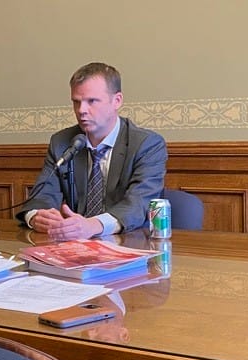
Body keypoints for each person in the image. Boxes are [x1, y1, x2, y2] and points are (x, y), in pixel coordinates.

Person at [17, 62, 167, 241]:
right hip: (74, 246)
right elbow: (43, 195)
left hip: (129, 244)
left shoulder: (147, 144)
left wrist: (93, 225)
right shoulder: (62, 142)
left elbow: (138, 204)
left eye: (92, 101)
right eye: (76, 102)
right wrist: (36, 217)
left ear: (117, 101)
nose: (81, 110)